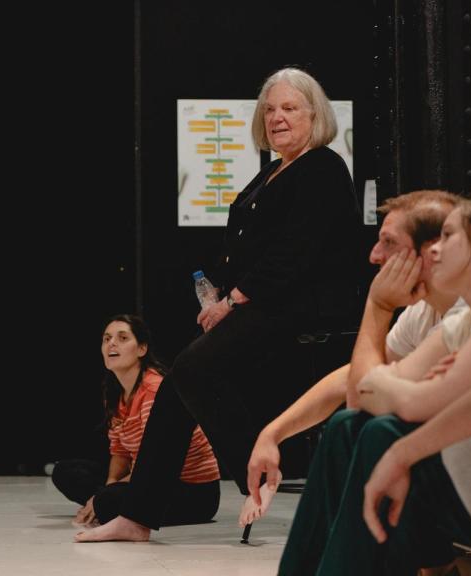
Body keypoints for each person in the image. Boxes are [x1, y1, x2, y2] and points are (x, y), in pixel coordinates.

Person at [77, 66, 361, 543]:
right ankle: (138, 516)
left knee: (191, 369)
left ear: (316, 114)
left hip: (301, 309)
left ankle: (259, 473)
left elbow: (294, 253)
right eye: (270, 109)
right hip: (261, 306)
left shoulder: (323, 167)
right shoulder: (273, 170)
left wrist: (231, 301)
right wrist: (223, 299)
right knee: (175, 386)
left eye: (290, 108)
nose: (277, 117)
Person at [277, 197, 471, 575]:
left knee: (382, 432)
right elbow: (360, 392)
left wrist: (379, 312)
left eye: (447, 236)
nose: (436, 249)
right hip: (467, 480)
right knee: (350, 426)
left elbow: (394, 396)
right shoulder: (458, 318)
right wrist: (274, 432)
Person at [243, 190, 462, 526]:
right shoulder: (423, 311)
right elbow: (351, 378)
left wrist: (377, 307)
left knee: (358, 428)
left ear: (433, 251)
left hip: (454, 471)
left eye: (388, 242)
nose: (375, 255)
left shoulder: (463, 316)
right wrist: (272, 434)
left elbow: (360, 399)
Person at [52, 315, 220, 528]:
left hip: (192, 492)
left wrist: (105, 496)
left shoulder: (153, 390)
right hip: (148, 477)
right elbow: (120, 451)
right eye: (106, 339)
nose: (111, 343)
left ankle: (107, 504)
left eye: (122, 338)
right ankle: (106, 503)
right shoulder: (115, 393)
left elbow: (154, 460)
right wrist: (109, 486)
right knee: (66, 472)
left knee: (108, 501)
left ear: (142, 349)